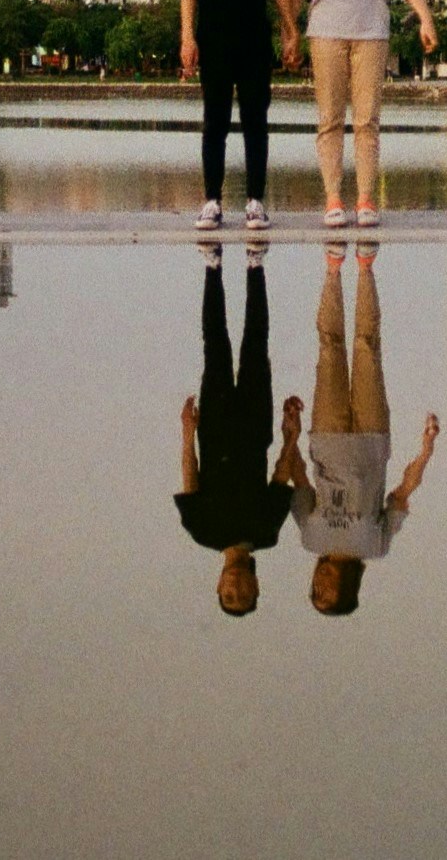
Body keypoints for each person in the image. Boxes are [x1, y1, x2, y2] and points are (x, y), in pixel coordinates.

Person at [284, 0, 437, 230]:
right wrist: (289, 32)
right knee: (330, 120)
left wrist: (425, 17)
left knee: (367, 120)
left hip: (370, 30)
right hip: (325, 32)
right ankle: (334, 199)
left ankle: (366, 198)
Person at [292, 243, 438, 617]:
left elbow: (300, 482)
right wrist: (425, 451)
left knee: (329, 347)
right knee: (368, 347)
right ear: (347, 590)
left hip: (325, 437)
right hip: (372, 439)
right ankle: (365, 268)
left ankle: (332, 269)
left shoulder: (310, 539)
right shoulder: (375, 546)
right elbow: (402, 494)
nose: (320, 585)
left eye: (315, 592)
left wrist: (289, 433)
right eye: (327, 594)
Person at [176, 0, 300, 232]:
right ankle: (212, 200)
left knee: (255, 123)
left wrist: (290, 30)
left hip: (254, 43)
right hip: (213, 42)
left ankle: (255, 202)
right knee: (214, 122)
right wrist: (187, 36)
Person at [175, 247, 302, 616]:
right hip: (255, 426)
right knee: (255, 343)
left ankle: (212, 268)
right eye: (243, 595)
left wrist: (187, 432)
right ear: (256, 586)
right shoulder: (267, 533)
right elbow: (280, 477)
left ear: (218, 584)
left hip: (212, 429)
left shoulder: (202, 530)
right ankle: (254, 266)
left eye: (228, 595)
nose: (235, 589)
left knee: (216, 346)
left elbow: (190, 477)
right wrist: (291, 436)